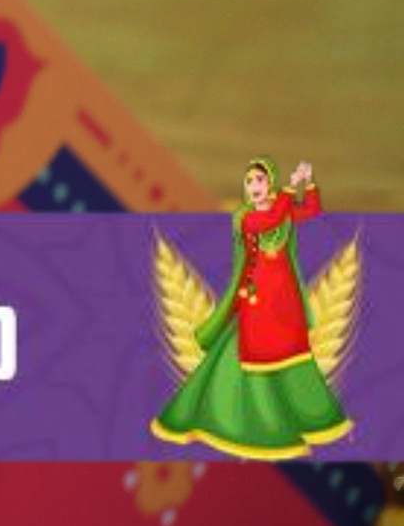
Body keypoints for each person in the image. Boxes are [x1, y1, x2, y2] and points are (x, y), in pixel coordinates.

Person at [151, 160, 356, 459]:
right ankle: (254, 420)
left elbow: (310, 211)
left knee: (293, 352)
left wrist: (308, 183)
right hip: (257, 300)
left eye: (259, 180)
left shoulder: (282, 213)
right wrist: (290, 188)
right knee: (256, 353)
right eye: (249, 182)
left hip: (284, 301)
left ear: (269, 183)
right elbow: (269, 220)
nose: (254, 187)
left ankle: (307, 414)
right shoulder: (245, 219)